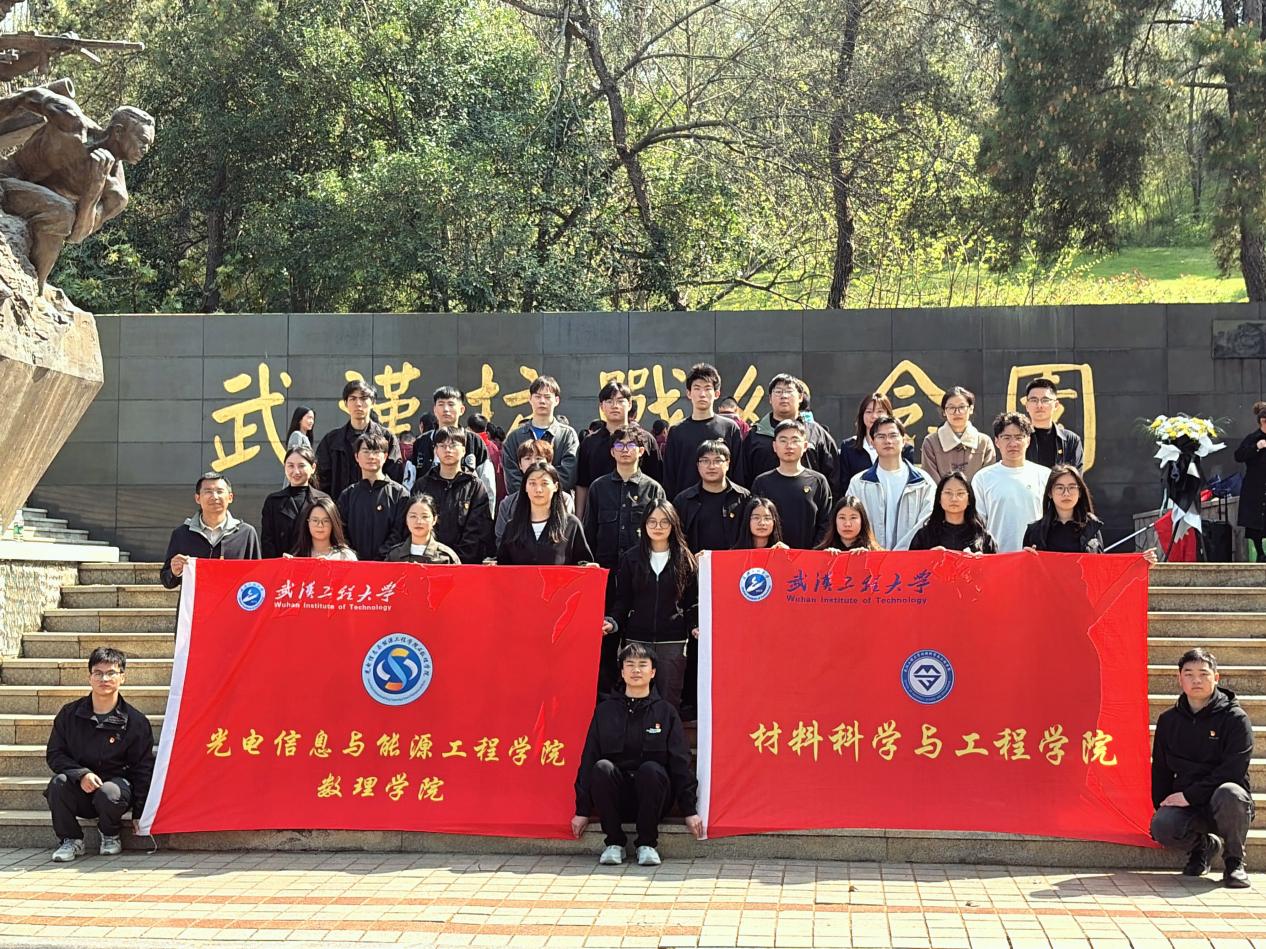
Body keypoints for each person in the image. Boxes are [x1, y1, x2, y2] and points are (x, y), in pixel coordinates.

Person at [571, 642, 702, 867]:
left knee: (651, 769)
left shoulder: (666, 712)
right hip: (617, 799)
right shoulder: (605, 711)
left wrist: (689, 810)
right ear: (622, 672)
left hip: (654, 797)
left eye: (643, 665)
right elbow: (589, 758)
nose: (636, 670)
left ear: (653, 672)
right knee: (601, 767)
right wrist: (582, 810)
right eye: (630, 665)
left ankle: (647, 844)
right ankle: (614, 843)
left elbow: (681, 763)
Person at [1150, 648, 1253, 888]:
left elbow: (1233, 771)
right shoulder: (1168, 721)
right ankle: (1203, 847)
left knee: (1230, 792)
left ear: (1216, 678)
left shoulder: (1235, 719)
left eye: (1203, 674)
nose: (1196, 680)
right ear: (1180, 679)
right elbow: (1161, 770)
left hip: (1226, 805)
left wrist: (1189, 795)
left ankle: (1234, 862)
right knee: (1162, 825)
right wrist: (1162, 806)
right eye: (1189, 674)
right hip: (1189, 806)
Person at [45, 647, 155, 862]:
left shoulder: (136, 721)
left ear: (122, 677)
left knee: (109, 791)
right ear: (90, 677)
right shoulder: (69, 714)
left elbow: (143, 768)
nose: (104, 679)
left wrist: (140, 812)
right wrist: (81, 774)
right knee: (58, 783)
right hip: (80, 789)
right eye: (98, 673)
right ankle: (71, 840)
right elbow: (55, 754)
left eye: (111, 673)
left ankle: (110, 835)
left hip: (116, 792)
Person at [602, 502, 698, 711]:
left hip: (673, 640)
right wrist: (613, 622)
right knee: (636, 700)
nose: (658, 527)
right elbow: (623, 600)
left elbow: (692, 602)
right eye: (652, 521)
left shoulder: (685, 559)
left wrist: (694, 625)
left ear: (673, 525)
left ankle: (667, 733)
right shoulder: (631, 558)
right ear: (644, 525)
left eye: (664, 522)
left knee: (669, 699)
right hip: (638, 639)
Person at [582, 425, 666, 573]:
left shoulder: (653, 489)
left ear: (641, 451)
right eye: (619, 445)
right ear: (612, 452)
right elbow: (589, 531)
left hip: (641, 569)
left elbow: (662, 533)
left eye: (631, 445)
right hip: (604, 569)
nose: (625, 450)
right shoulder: (598, 488)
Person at [846, 416, 935, 552]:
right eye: (881, 436)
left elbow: (927, 521)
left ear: (904, 441)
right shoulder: (858, 483)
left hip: (912, 559)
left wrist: (900, 553)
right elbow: (852, 520)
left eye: (893, 435)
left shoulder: (924, 482)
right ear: (872, 442)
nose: (888, 441)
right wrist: (875, 550)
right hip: (870, 558)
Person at [575, 382, 665, 517]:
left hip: (639, 515)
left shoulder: (645, 440)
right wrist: (579, 518)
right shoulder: (590, 442)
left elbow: (657, 480)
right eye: (609, 401)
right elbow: (582, 485)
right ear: (601, 406)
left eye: (620, 401)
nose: (615, 406)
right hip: (600, 515)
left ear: (629, 404)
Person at [160, 473, 261, 589]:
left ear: (230, 497)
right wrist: (174, 571)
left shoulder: (246, 533)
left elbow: (257, 576)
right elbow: (167, 581)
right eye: (208, 491)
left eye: (220, 491)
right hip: (196, 600)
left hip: (232, 600)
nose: (214, 497)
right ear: (197, 498)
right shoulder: (182, 534)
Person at [739, 373, 838, 489]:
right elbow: (743, 478)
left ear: (800, 397)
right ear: (770, 399)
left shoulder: (816, 433)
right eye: (778, 392)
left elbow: (834, 477)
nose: (784, 396)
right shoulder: (755, 435)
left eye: (789, 391)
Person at [412, 427, 494, 564]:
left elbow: (478, 528)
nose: (448, 450)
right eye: (442, 446)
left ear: (464, 451)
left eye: (453, 445)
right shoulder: (422, 485)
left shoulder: (475, 486)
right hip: (428, 561)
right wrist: (434, 556)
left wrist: (456, 560)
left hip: (466, 563)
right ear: (435, 450)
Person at [662, 364, 744, 499]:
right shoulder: (677, 431)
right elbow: (669, 476)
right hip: (685, 504)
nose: (702, 394)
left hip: (724, 504)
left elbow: (738, 472)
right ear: (689, 393)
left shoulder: (729, 428)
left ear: (717, 394)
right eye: (697, 388)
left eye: (707, 388)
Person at [971, 413, 1050, 553]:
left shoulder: (1045, 475)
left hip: (1035, 555)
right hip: (996, 557)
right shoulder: (983, 478)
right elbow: (977, 524)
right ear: (997, 441)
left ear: (1028, 440)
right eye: (1006, 437)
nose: (1013, 444)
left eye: (1019, 437)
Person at [314, 379, 404, 500]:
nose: (358, 404)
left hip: (377, 505)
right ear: (346, 403)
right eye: (353, 399)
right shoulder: (331, 440)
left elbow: (395, 475)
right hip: (339, 507)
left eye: (363, 398)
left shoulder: (386, 437)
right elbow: (321, 478)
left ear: (373, 402)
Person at [751, 419, 832, 549]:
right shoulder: (762, 482)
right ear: (774, 446)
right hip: (772, 555)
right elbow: (755, 522)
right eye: (783, 440)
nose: (789, 446)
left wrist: (814, 552)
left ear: (805, 446)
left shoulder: (818, 481)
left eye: (795, 441)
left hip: (810, 556)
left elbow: (826, 522)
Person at [496, 461, 594, 565]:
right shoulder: (512, 527)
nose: (538, 490)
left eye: (544, 483)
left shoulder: (571, 525)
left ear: (555, 486)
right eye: (532, 483)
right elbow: (503, 565)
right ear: (525, 487)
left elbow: (583, 564)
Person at [410, 387, 496, 502]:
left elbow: (488, 486)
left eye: (451, 404)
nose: (446, 409)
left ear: (462, 409)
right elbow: (409, 483)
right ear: (434, 410)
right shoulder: (421, 442)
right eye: (441, 404)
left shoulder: (475, 442)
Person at [335, 433, 409, 561]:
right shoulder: (347, 495)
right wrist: (352, 556)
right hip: (353, 565)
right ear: (356, 457)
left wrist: (381, 557)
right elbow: (341, 532)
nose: (371, 456)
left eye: (376, 451)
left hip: (389, 564)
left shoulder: (400, 494)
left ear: (385, 456)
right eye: (366, 451)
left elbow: (399, 532)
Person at [502, 376, 580, 494]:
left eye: (547, 397)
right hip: (522, 502)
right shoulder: (514, 437)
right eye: (537, 396)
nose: (542, 401)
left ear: (557, 400)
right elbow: (512, 477)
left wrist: (543, 491)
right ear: (530, 399)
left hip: (557, 501)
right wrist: (532, 494)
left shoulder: (567, 435)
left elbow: (568, 475)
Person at [673, 440, 751, 553]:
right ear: (698, 465)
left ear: (727, 463)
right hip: (695, 562)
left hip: (736, 562)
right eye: (705, 461)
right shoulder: (683, 501)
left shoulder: (743, 497)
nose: (711, 466)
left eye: (718, 461)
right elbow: (677, 540)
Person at [495, 439, 576, 546]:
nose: (533, 462)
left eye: (538, 458)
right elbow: (501, 541)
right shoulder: (507, 504)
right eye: (527, 458)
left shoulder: (564, 500)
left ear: (549, 463)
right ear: (520, 465)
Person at [259, 447, 330, 558]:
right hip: (283, 565)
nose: (296, 471)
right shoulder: (273, 502)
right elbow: (267, 541)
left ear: (313, 468)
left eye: (301, 466)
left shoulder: (323, 500)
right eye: (290, 466)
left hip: (314, 564)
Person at [838, 393, 916, 490]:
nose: (874, 416)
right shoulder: (849, 447)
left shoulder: (903, 448)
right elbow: (844, 486)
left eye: (880, 411)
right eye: (869, 412)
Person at [1022, 464, 1105, 553]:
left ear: (1080, 492)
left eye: (1072, 487)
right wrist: (1027, 557)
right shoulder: (1035, 532)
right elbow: (1026, 562)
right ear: (1050, 493)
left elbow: (1100, 561)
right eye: (1060, 488)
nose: (1066, 493)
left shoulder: (1091, 528)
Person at [920, 386, 996, 482]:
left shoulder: (984, 442)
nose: (957, 412)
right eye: (951, 408)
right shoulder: (931, 442)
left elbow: (988, 480)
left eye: (962, 407)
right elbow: (930, 481)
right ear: (944, 411)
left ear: (971, 409)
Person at [910, 472, 997, 554]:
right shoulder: (924, 536)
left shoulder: (983, 538)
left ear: (969, 499)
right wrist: (928, 557)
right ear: (939, 498)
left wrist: (980, 561)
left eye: (960, 493)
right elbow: (911, 563)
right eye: (948, 493)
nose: (954, 499)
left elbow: (996, 564)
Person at [1024, 377, 1084, 469]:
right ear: (1027, 406)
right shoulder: (1018, 438)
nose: (1039, 405)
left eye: (1045, 400)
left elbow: (1074, 476)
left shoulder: (1071, 441)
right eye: (1034, 400)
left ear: (1056, 405)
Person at [384, 495, 461, 564]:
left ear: (434, 519)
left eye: (425, 516)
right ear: (406, 520)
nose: (419, 522)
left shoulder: (446, 557)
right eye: (413, 516)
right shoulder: (394, 556)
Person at [1234, 402, 1266, 562]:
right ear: (1262, 421)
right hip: (1255, 486)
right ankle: (1260, 553)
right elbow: (1238, 456)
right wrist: (1256, 447)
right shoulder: (1253, 438)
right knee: (1255, 522)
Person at [289, 497, 358, 560]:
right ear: (307, 523)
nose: (320, 525)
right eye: (315, 520)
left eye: (326, 521)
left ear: (333, 523)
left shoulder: (345, 556)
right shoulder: (298, 555)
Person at [816, 496, 882, 553]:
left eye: (853, 518)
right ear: (834, 521)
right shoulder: (821, 551)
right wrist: (824, 558)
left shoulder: (875, 552)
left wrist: (869, 557)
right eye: (842, 518)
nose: (847, 524)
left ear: (862, 521)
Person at [468, 413, 507, 503]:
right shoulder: (493, 446)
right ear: (485, 429)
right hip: (496, 491)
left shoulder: (471, 446)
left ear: (469, 429)